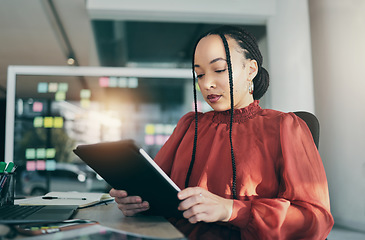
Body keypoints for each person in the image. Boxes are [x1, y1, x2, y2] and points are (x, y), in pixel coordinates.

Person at [109, 25, 334, 239]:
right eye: (199, 74)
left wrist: (231, 210)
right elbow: (159, 192)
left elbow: (315, 220)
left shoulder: (285, 127)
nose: (206, 84)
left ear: (251, 70)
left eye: (218, 70)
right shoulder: (189, 126)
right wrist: (139, 202)